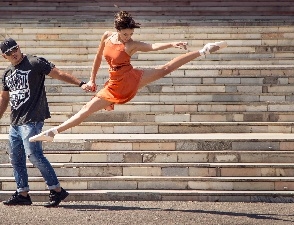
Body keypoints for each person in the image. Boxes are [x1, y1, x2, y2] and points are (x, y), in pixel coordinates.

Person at [29, 11, 227, 142]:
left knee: (165, 68)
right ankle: (53, 132)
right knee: (85, 110)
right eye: (125, 34)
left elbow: (152, 47)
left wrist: (172, 43)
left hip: (130, 77)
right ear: (117, 30)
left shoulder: (131, 45)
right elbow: (98, 57)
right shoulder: (107, 36)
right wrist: (92, 79)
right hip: (113, 82)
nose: (128, 37)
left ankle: (203, 51)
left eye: (130, 34)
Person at [0, 37, 92, 207]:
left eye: (14, 49)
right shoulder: (7, 73)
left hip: (32, 119)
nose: (13, 54)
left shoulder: (34, 62)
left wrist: (81, 83)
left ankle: (57, 191)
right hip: (15, 123)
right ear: (4, 56)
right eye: (8, 53)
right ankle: (23, 193)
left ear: (19, 47)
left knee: (34, 155)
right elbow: (4, 98)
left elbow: (59, 74)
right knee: (16, 158)